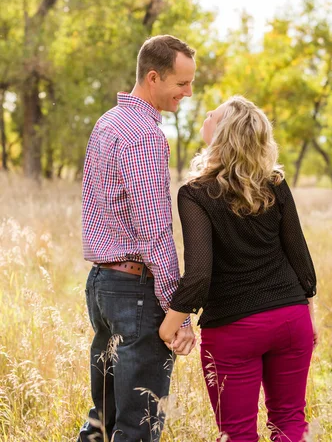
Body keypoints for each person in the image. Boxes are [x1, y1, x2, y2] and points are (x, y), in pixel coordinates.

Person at [159, 96, 318, 442]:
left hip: (234, 329)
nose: (205, 115)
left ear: (222, 132)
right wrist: (307, 311)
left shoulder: (195, 193)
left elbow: (199, 273)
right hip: (291, 319)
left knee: (238, 433)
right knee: (290, 421)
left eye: (212, 114)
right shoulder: (274, 183)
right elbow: (300, 256)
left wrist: (168, 326)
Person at [78, 35, 197, 442]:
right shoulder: (143, 134)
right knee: (137, 426)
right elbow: (153, 226)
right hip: (135, 289)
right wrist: (175, 309)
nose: (188, 91)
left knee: (103, 418)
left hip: (103, 286)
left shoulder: (108, 122)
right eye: (181, 83)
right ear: (153, 77)